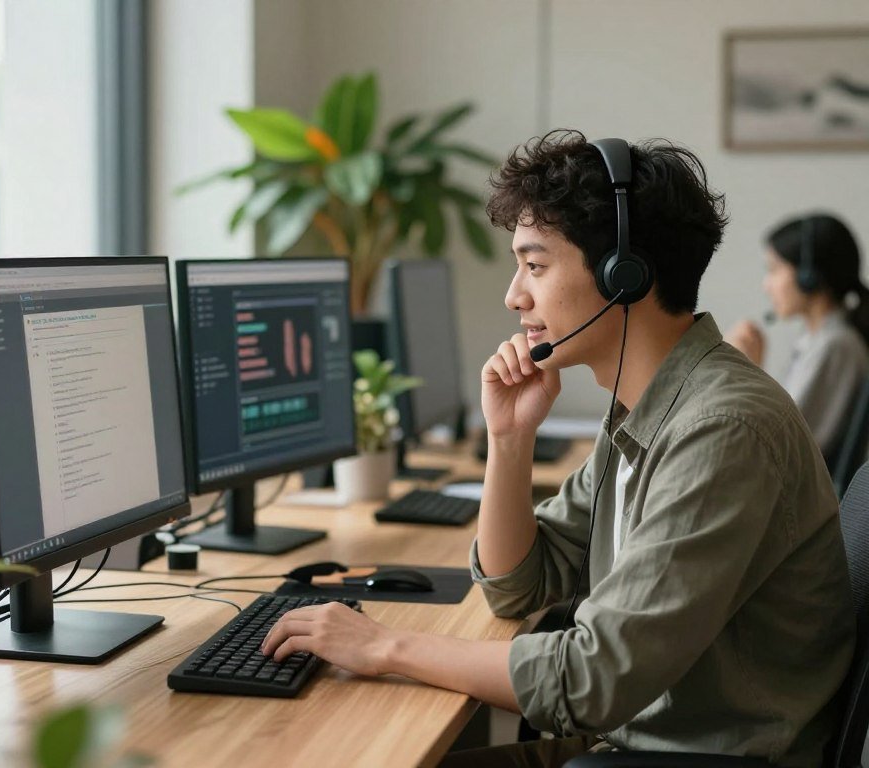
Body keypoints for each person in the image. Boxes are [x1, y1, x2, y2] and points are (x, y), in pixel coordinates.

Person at [261, 131, 854, 766]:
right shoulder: (643, 408)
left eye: (536, 266)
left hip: (695, 758)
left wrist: (385, 647)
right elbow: (518, 586)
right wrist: (509, 439)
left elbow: (593, 679)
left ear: (624, 276)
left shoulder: (721, 429)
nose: (514, 295)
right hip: (639, 743)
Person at [726, 213, 869, 460]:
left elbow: (777, 442)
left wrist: (745, 372)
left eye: (774, 270)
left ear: (807, 276)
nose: (766, 285)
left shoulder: (835, 345)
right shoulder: (819, 341)